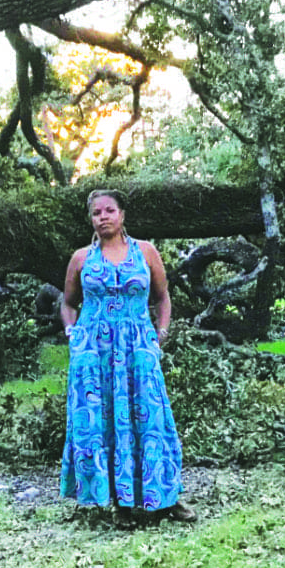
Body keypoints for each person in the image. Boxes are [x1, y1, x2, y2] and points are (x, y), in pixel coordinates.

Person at [59, 189, 195, 525]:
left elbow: (163, 298)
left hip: (137, 347)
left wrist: (159, 336)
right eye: (96, 213)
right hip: (95, 353)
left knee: (151, 419)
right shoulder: (81, 259)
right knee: (103, 422)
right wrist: (73, 335)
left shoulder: (146, 253)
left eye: (109, 211)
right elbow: (67, 302)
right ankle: (117, 504)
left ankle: (165, 497)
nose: (102, 217)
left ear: (122, 215)